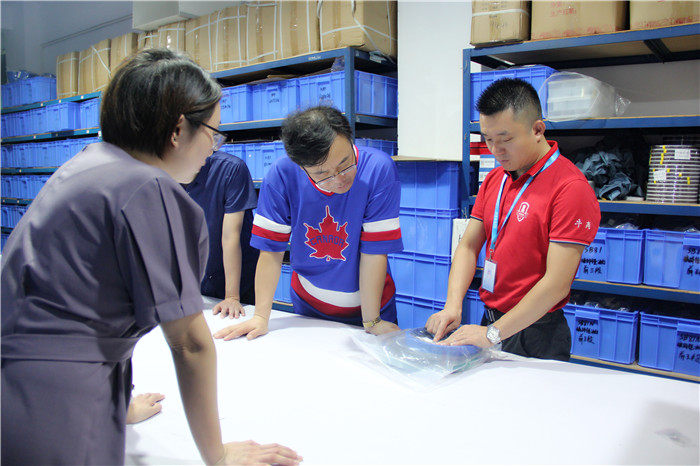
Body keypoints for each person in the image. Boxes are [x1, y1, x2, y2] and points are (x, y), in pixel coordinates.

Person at [1, 48, 301, 466]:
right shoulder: (149, 190)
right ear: (178, 130)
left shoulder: (89, 164)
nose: (213, 148)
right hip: (52, 402)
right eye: (213, 133)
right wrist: (217, 455)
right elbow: (189, 342)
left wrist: (119, 405)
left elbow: (80, 300)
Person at [426, 78, 600, 361]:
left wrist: (493, 334)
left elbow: (557, 284)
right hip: (490, 321)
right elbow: (468, 246)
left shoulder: (570, 188)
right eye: (488, 139)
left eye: (506, 139)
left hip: (536, 332)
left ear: (537, 130)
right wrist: (453, 305)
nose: (496, 150)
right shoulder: (496, 179)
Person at [213, 106, 403, 341]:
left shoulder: (378, 168)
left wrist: (372, 320)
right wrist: (261, 317)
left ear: (350, 138)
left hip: (372, 306)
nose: (339, 179)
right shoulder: (282, 174)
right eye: (323, 174)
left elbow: (375, 251)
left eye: (345, 164)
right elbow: (271, 251)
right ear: (301, 166)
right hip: (309, 306)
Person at [182, 149, 259, 318]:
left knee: (238, 321)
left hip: (237, 278)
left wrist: (232, 296)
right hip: (195, 277)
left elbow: (230, 236)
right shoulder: (162, 171)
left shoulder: (231, 169)